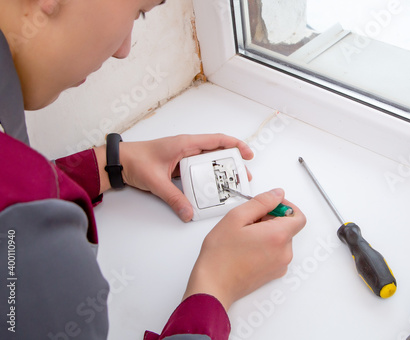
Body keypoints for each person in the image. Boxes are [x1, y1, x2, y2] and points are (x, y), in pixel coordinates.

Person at [0, 0, 307, 339]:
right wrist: (216, 287)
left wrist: (108, 164)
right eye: (139, 11)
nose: (123, 50)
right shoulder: (33, 260)